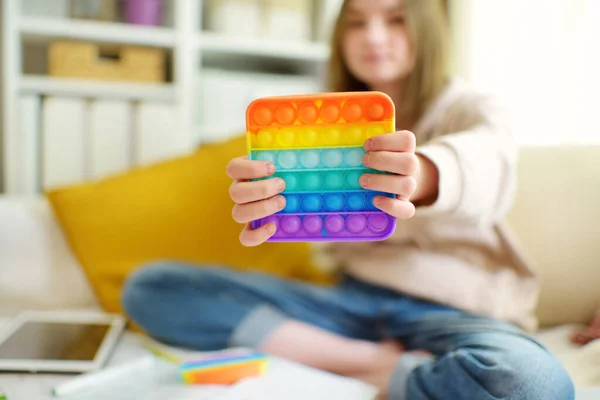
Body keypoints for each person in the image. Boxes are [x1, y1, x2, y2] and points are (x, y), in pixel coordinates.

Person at [122, 0, 575, 398]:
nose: (373, 37)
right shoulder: (320, 122)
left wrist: (421, 173)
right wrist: (267, 202)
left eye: (396, 19)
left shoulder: (470, 108)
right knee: (151, 286)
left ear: (428, 29)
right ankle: (366, 363)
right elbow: (302, 218)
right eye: (356, 22)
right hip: (348, 302)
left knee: (533, 384)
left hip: (453, 311)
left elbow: (488, 163)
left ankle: (373, 370)